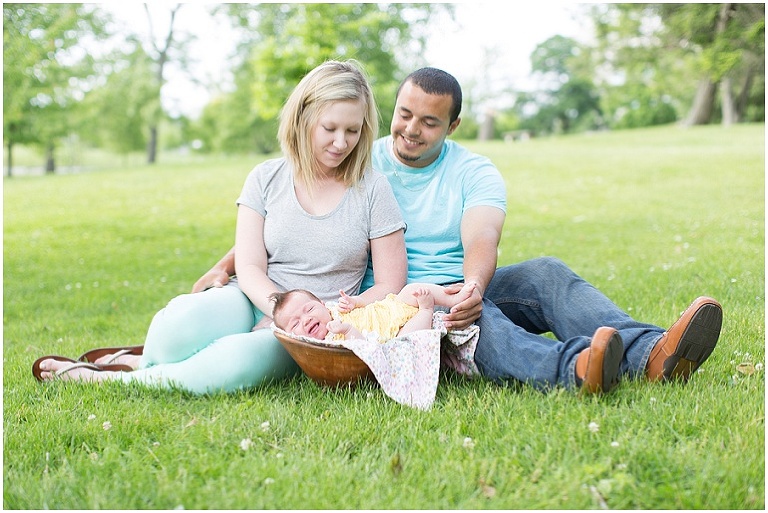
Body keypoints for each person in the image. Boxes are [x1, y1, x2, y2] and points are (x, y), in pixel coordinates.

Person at [190, 66, 723, 396]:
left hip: (462, 280)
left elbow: (482, 239)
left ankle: (653, 352)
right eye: (404, 114)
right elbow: (293, 213)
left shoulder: (474, 171)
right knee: (475, 321)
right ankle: (580, 368)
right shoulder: (360, 157)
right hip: (404, 298)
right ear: (392, 110)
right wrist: (227, 262)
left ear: (453, 127)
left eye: (429, 122)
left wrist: (472, 285)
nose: (410, 130)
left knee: (545, 274)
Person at [33, 60, 408, 392]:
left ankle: (116, 377)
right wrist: (276, 307)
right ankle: (145, 360)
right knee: (178, 323)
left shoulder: (373, 189)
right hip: (252, 297)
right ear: (304, 117)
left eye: (353, 131)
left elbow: (390, 284)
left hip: (312, 326)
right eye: (330, 128)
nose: (341, 143)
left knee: (234, 361)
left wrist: (301, 320)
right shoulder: (265, 178)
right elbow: (248, 267)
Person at [271, 282, 476, 341]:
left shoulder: (334, 310)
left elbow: (363, 306)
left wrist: (354, 302)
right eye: (295, 324)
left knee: (410, 291)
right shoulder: (329, 342)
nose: (306, 320)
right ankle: (426, 310)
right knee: (407, 340)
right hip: (390, 336)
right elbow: (363, 351)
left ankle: (454, 297)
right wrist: (347, 330)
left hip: (389, 310)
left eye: (309, 309)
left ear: (324, 306)